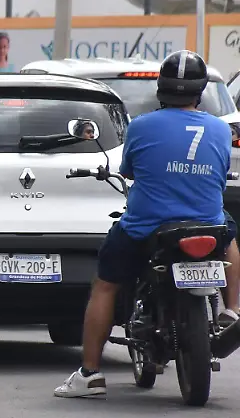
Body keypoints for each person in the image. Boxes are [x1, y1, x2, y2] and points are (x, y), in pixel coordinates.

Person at [55, 50, 240, 398]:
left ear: (161, 89)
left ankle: (90, 373)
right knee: (229, 234)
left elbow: (128, 171)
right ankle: (232, 309)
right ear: (200, 91)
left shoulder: (141, 126)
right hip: (207, 226)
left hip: (147, 229)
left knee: (105, 284)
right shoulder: (219, 129)